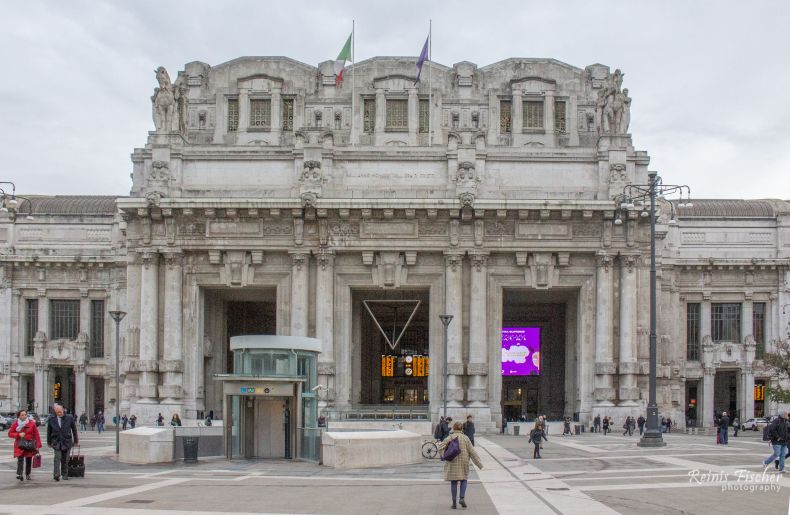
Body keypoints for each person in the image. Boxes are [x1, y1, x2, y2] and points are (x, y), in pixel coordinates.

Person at [438, 421, 483, 510]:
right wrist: (479, 464)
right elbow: (472, 452)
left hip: (452, 462)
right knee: (464, 479)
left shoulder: (450, 437)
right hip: (464, 462)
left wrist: (445, 455)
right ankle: (462, 498)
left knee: (454, 482)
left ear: (454, 428)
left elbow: (440, 447)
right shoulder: (465, 438)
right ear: (462, 428)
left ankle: (454, 503)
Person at [46, 404, 79, 481]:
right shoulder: (51, 419)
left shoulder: (69, 417)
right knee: (57, 458)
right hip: (56, 441)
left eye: (60, 412)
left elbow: (74, 430)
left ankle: (65, 474)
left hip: (67, 441)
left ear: (63, 410)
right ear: (55, 412)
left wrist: (76, 441)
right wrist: (49, 442)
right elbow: (49, 431)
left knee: (65, 459)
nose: (59, 414)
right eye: (57, 412)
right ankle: (56, 475)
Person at [9, 409, 42, 481]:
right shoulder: (15, 424)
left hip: (29, 444)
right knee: (20, 459)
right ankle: (20, 474)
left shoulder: (31, 423)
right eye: (22, 415)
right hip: (19, 444)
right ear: (18, 416)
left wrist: (38, 445)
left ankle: (28, 474)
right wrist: (18, 434)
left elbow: (36, 434)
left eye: (25, 415)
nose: (24, 416)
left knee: (29, 459)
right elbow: (10, 434)